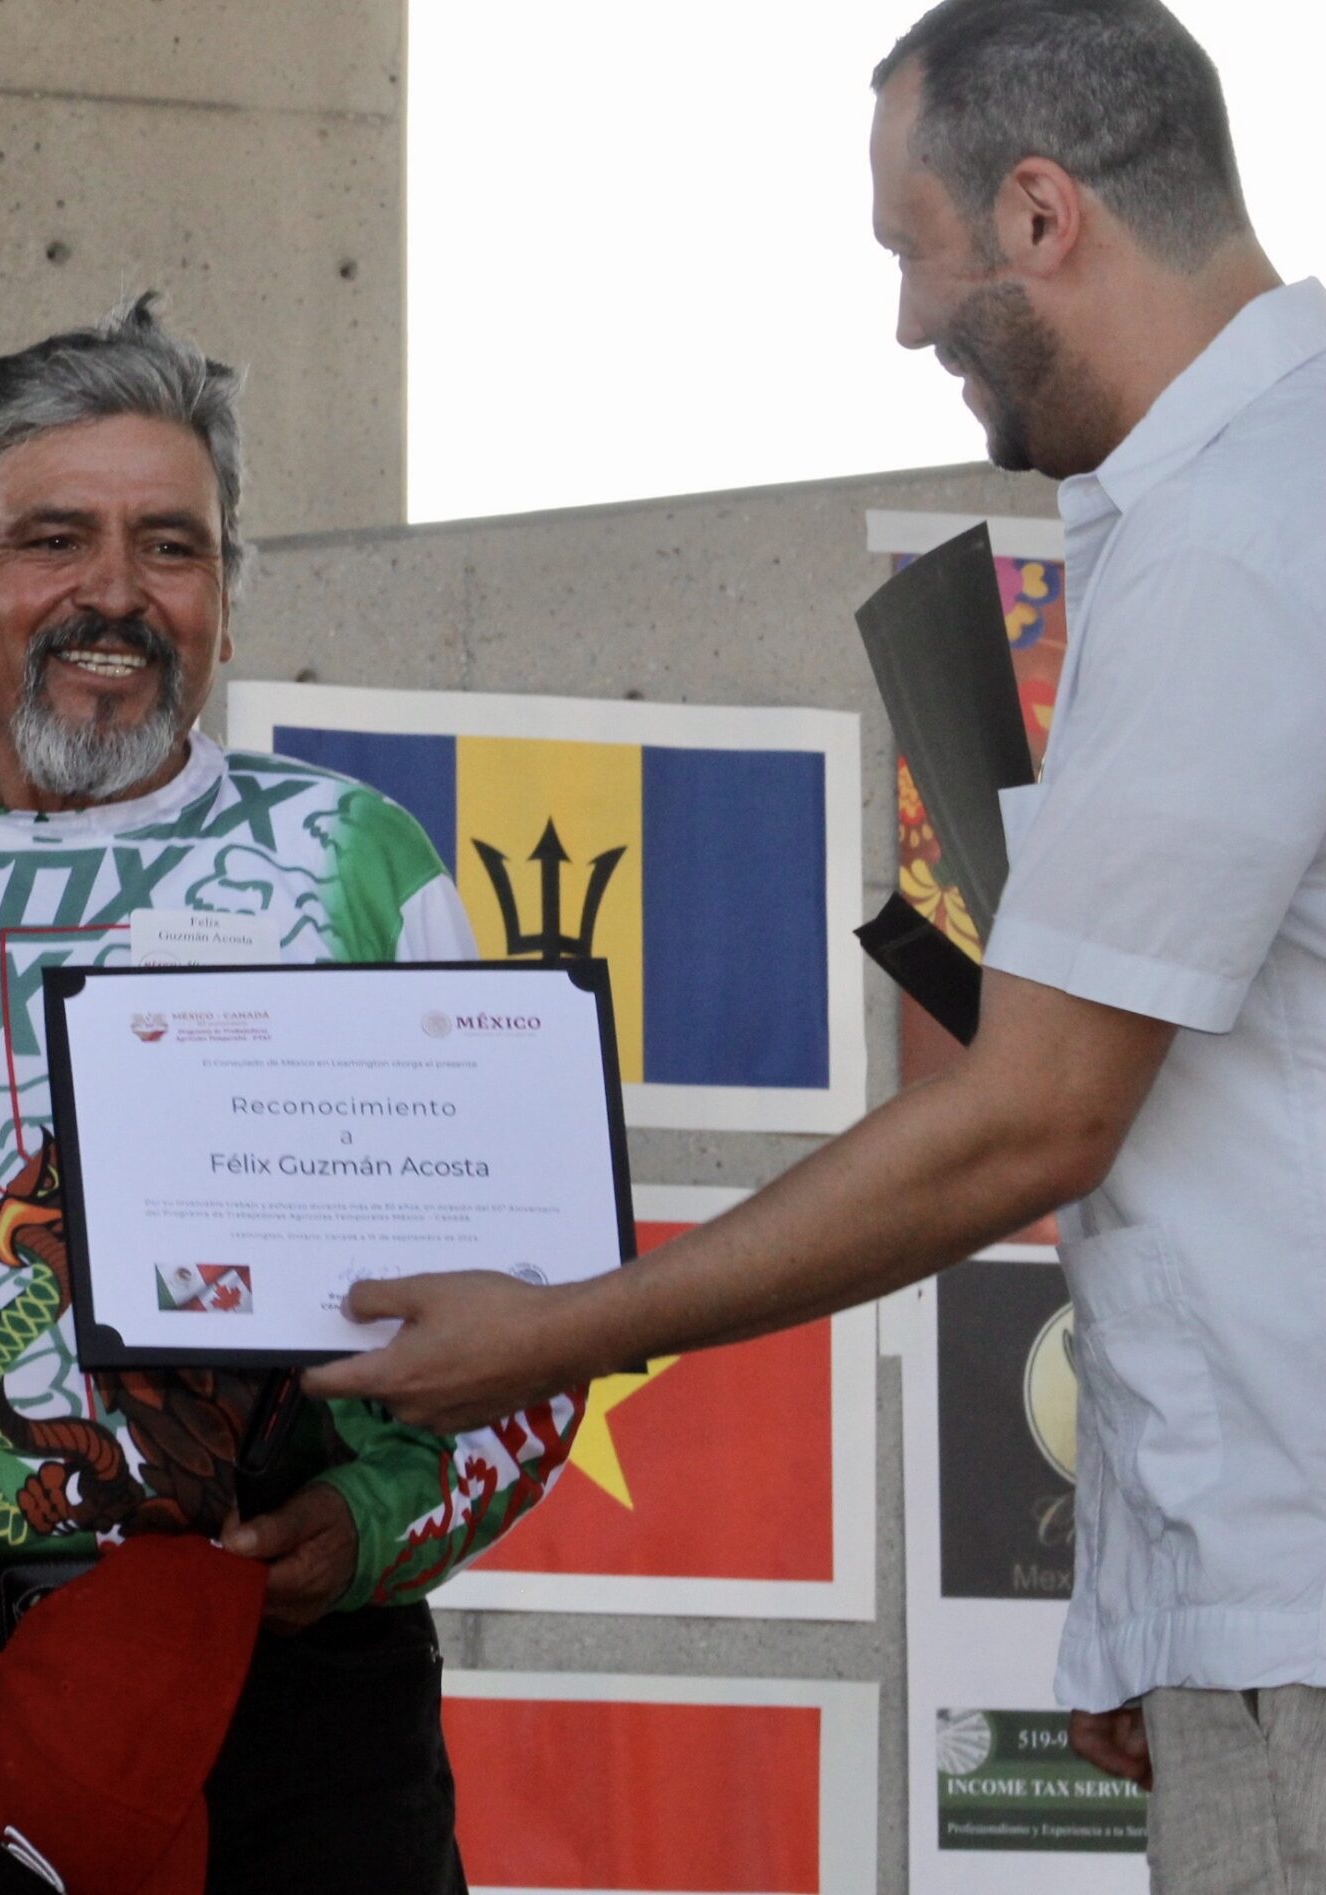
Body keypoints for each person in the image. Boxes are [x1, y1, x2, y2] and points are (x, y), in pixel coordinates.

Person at [310, 3, 1326, 1886]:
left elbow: (1036, 1122)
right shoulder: (1255, 494)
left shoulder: (1235, 544)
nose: (903, 321)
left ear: (1039, 216)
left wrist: (561, 1332)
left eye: (906, 246)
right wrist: (1138, 1597)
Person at [0, 294, 582, 1894]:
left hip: (291, 1686)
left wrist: (367, 1522)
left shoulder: (360, 861)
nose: (113, 593)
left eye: (172, 545)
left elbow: (538, 1320)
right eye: (52, 538)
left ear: (223, 594)